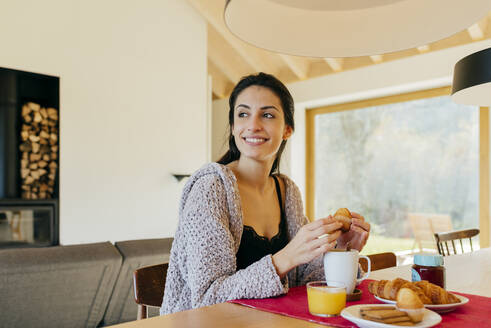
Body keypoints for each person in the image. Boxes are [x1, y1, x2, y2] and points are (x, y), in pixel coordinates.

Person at [161, 72, 370, 315]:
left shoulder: (287, 191)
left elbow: (305, 280)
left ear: (287, 130)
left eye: (267, 115)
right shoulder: (210, 188)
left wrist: (341, 250)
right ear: (233, 127)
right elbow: (208, 298)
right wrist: (284, 259)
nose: (253, 124)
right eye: (243, 114)